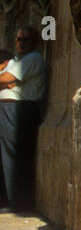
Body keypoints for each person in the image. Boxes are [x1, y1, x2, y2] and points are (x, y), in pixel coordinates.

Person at [0, 27, 49, 213]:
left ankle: (18, 201)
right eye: (19, 39)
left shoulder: (33, 59)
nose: (21, 42)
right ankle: (6, 198)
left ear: (34, 42)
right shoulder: (15, 60)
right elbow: (5, 80)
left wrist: (5, 80)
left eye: (26, 40)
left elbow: (7, 79)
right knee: (5, 154)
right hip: (7, 109)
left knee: (15, 156)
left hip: (18, 109)